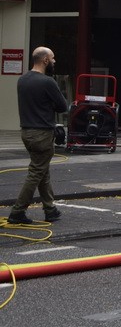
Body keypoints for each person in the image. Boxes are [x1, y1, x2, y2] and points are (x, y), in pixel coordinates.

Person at [7, 47, 69, 225]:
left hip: (26, 131)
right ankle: (18, 211)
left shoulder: (23, 80)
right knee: (36, 172)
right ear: (45, 61)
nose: (55, 61)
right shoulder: (48, 82)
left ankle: (50, 209)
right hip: (42, 132)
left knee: (42, 171)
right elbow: (62, 106)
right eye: (53, 58)